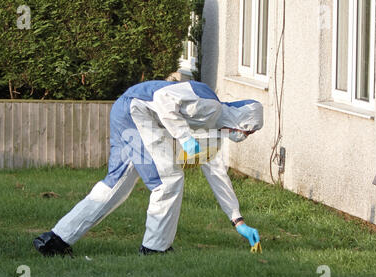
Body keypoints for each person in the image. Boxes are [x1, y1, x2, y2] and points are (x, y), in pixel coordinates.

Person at [33, 80, 264, 257]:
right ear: (242, 122)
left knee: (117, 182)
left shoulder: (214, 132)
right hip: (136, 112)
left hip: (126, 112)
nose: (245, 137)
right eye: (250, 132)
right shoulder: (209, 104)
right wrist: (184, 137)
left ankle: (55, 240)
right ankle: (154, 249)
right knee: (167, 180)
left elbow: (216, 175)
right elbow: (163, 98)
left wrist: (238, 220)